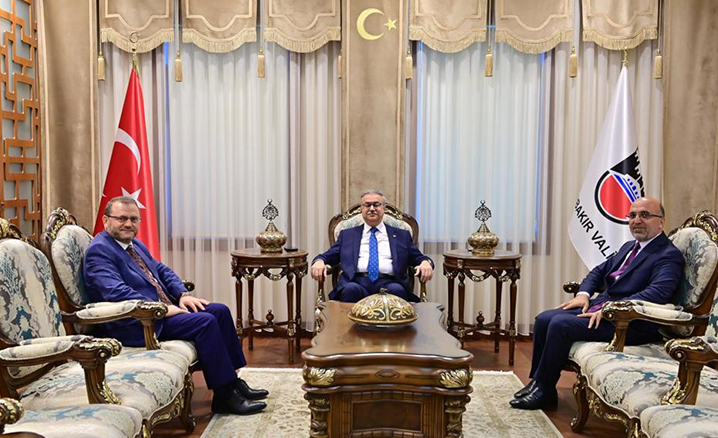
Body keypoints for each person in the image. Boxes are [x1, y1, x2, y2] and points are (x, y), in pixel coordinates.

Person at [84, 196, 268, 416]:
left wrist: (181, 295)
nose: (128, 224)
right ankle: (224, 396)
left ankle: (233, 382)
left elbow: (162, 271)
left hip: (160, 311)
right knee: (205, 322)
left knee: (219, 311)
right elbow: (115, 292)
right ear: (106, 220)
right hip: (136, 322)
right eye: (121, 218)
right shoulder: (100, 251)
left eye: (134, 219)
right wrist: (159, 308)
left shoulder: (134, 244)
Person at [510, 197, 684, 410]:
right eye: (632, 215)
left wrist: (613, 308)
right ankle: (538, 382)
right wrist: (583, 294)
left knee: (560, 325)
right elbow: (598, 271)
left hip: (629, 323)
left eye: (645, 215)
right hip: (601, 309)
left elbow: (657, 293)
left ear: (661, 222)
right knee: (544, 319)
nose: (637, 220)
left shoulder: (668, 255)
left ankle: (545, 389)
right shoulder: (629, 247)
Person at [311, 190, 434, 302]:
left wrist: (425, 262)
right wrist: (319, 261)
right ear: (362, 208)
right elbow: (328, 256)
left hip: (389, 282)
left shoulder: (401, 235)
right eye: (367, 205)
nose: (371, 208)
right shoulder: (347, 235)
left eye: (376, 204)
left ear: (384, 208)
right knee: (350, 290)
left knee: (396, 291)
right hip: (356, 281)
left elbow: (418, 257)